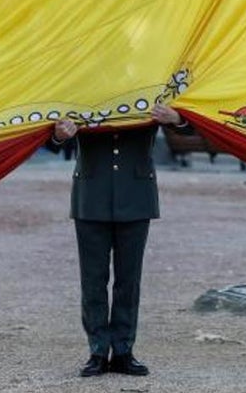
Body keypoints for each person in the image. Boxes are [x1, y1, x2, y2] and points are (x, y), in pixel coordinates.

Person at [47, 103, 195, 377]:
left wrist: (175, 118)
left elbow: (194, 127)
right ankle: (98, 350)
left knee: (129, 280)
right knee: (93, 280)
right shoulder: (82, 89)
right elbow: (52, 142)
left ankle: (124, 350)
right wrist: (61, 134)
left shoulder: (152, 85)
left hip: (136, 195)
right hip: (91, 196)